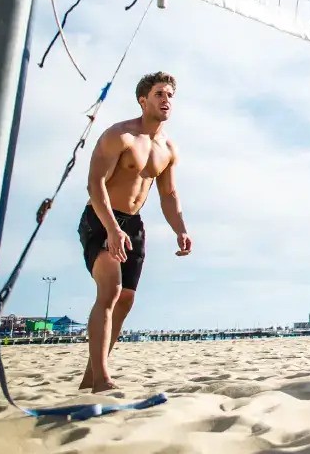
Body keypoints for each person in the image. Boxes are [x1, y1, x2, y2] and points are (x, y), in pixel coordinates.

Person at [76, 71, 193, 393]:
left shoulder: (168, 147)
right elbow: (94, 183)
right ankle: (102, 379)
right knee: (110, 291)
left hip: (133, 223)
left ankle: (91, 375)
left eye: (169, 94)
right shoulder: (120, 136)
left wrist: (179, 230)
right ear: (143, 100)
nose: (166, 100)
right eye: (159, 94)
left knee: (126, 298)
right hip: (101, 218)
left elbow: (168, 195)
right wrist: (111, 229)